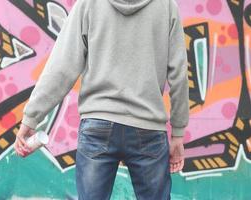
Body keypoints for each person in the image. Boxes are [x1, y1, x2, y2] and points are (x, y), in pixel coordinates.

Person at [14, 0, 189, 199]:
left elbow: (62, 67)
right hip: (147, 127)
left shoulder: (89, 3)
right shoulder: (166, 6)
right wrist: (178, 133)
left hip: (98, 125)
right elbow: (179, 74)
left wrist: (32, 117)